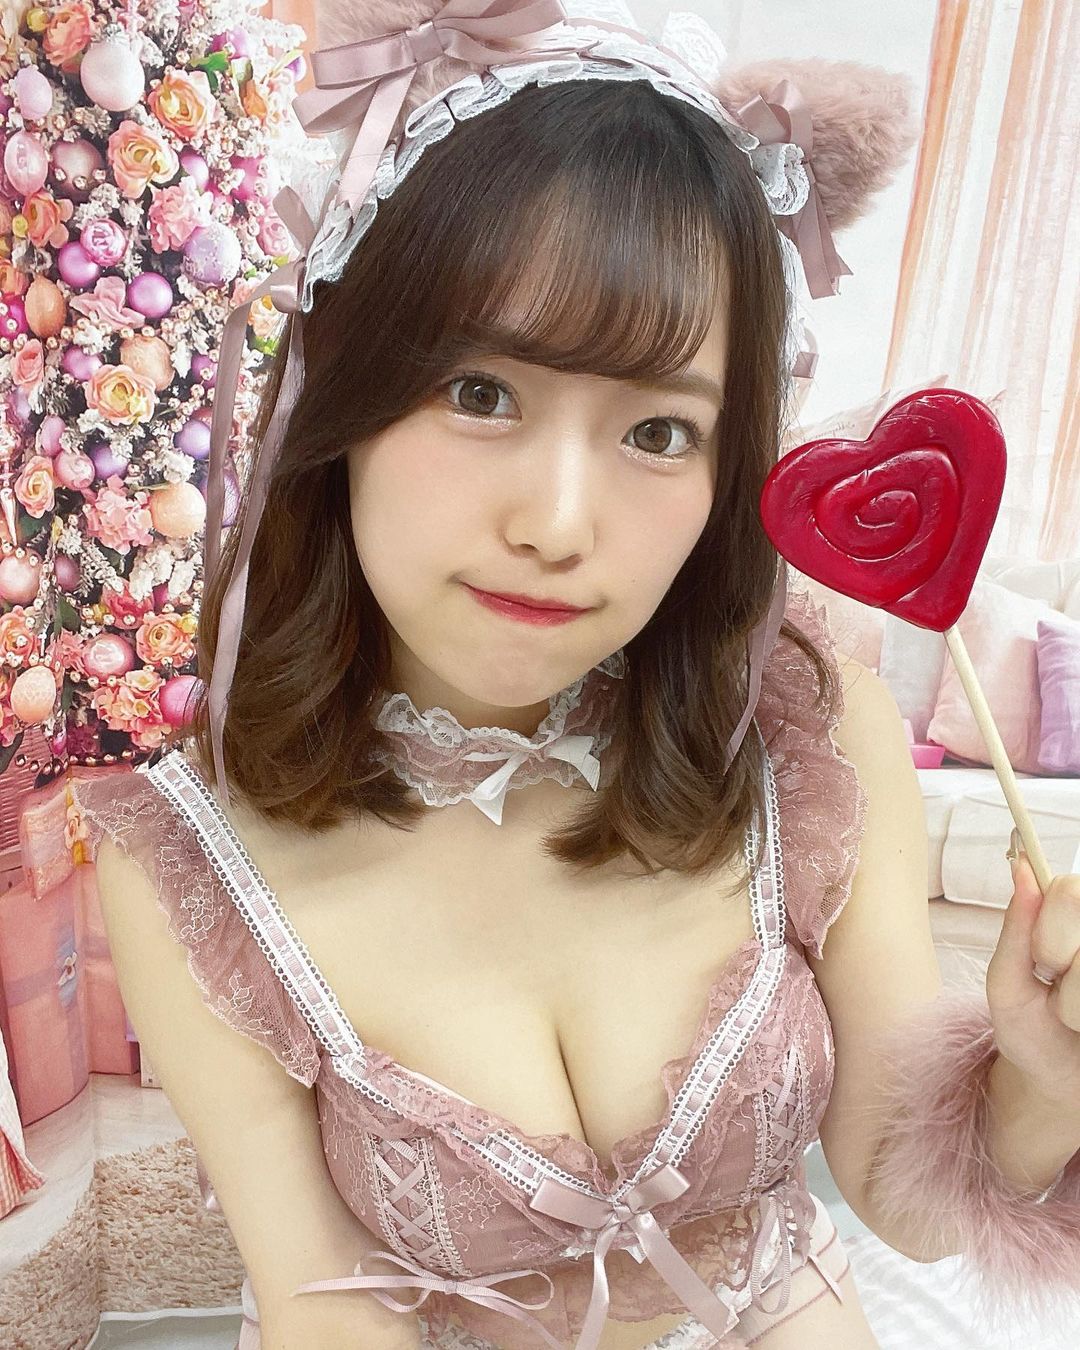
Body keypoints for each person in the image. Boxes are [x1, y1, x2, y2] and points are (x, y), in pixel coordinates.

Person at [71, 4, 1080, 1349]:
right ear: (341, 397)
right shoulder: (193, 860)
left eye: (658, 431)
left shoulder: (804, 736)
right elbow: (326, 1311)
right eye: (481, 393)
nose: (557, 524)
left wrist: (1041, 1076)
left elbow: (909, 1200)